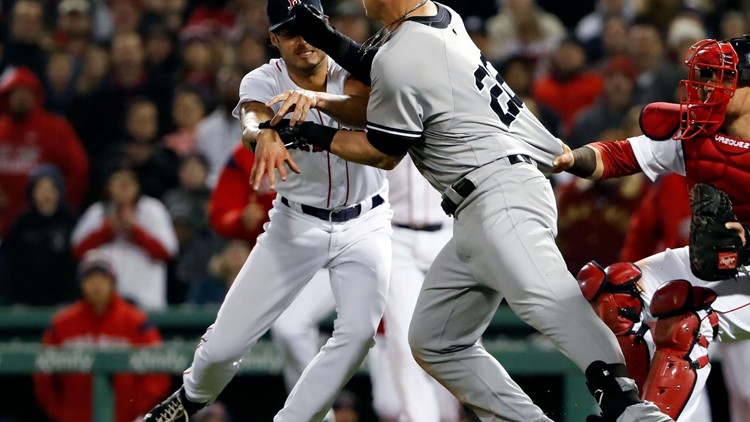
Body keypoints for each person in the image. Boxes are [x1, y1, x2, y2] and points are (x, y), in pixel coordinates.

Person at [261, 1, 672, 421]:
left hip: (500, 193)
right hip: (480, 203)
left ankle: (629, 407)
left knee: (547, 298)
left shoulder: (402, 54)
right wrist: (330, 41)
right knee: (435, 340)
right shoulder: (439, 16)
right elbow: (385, 65)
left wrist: (308, 130)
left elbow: (382, 152)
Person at [143, 1, 393, 421]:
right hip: (295, 224)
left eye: (309, 28)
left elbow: (366, 109)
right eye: (289, 32)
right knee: (223, 349)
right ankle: (189, 399)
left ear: (325, 26)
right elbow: (253, 118)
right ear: (274, 39)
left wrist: (312, 103)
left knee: (358, 334)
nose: (303, 40)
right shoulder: (263, 77)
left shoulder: (352, 69)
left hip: (366, 222)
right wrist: (263, 136)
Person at [551, 35, 750, 421]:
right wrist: (567, 157)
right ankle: (633, 409)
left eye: (720, 77)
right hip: (723, 263)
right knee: (613, 289)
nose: (707, 86)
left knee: (687, 323)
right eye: (705, 75)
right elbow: (620, 155)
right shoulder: (697, 134)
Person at [33, 248, 171, 422]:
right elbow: (42, 376)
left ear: (113, 282)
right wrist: (61, 412)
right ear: (81, 283)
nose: (96, 284)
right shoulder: (61, 324)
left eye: (102, 277)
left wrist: (134, 409)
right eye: (90, 277)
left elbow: (158, 373)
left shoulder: (136, 322)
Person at [72, 166, 178, 311]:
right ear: (109, 187)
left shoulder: (153, 210)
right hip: (104, 304)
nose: (123, 188)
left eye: (128, 184)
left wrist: (135, 230)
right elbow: (78, 251)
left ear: (137, 186)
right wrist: (107, 229)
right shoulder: (97, 212)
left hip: (147, 299)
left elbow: (167, 252)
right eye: (118, 183)